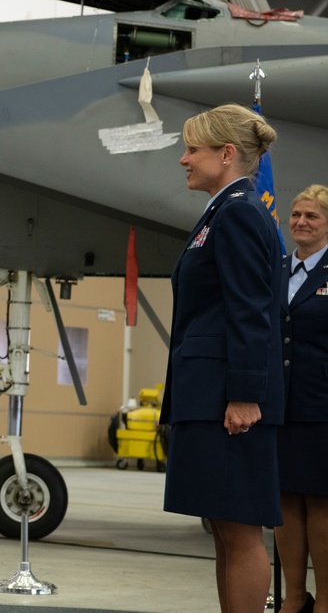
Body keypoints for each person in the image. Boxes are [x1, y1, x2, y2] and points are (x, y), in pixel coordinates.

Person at [160, 103, 284, 613]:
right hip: (209, 394)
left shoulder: (238, 213)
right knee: (224, 529)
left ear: (227, 154)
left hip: (228, 403)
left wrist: (244, 395)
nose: (184, 160)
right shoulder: (224, 210)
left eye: (193, 149)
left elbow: (251, 309)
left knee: (239, 529)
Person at [276, 184, 328, 613]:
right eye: (295, 215)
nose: (301, 223)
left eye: (312, 216)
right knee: (285, 502)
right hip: (279, 405)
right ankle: (295, 598)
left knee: (323, 505)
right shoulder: (274, 270)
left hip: (323, 405)